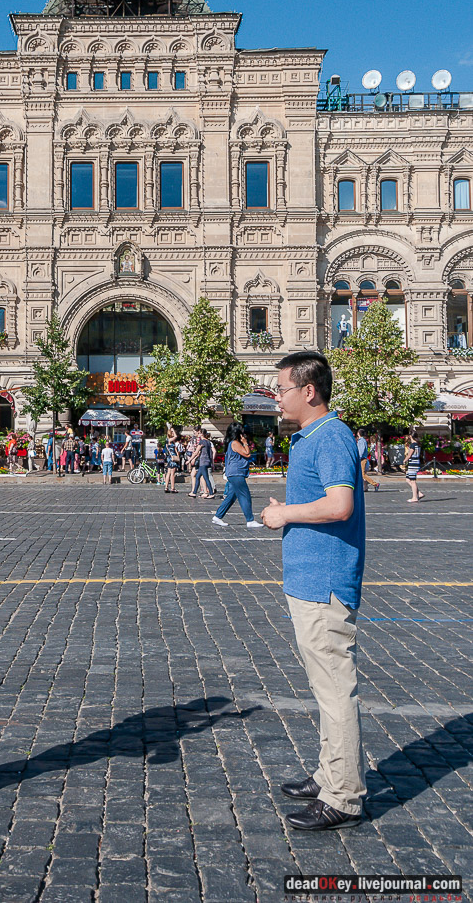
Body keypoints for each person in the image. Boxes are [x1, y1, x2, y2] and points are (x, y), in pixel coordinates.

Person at [262, 351, 365, 831]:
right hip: (308, 579)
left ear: (308, 391)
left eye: (281, 388)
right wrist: (292, 507)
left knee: (334, 689)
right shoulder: (311, 438)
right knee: (323, 687)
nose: (276, 397)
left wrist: (285, 514)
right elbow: (321, 499)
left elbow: (340, 504)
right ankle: (329, 774)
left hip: (324, 582)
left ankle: (343, 797)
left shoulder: (331, 437)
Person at [212, 426, 264, 528]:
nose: (244, 435)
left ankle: (217, 516)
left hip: (233, 473)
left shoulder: (231, 443)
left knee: (231, 496)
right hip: (236, 473)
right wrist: (245, 442)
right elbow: (247, 454)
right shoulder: (235, 443)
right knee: (245, 496)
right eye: (242, 433)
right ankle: (250, 520)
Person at [188, 429, 214, 499]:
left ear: (202, 434)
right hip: (207, 461)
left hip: (203, 462)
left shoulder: (202, 442)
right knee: (197, 477)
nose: (198, 434)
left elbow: (196, 452)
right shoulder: (208, 442)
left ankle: (211, 493)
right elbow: (211, 453)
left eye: (199, 433)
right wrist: (212, 463)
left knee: (206, 478)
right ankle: (194, 492)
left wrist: (189, 460)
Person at [404, 430, 424, 503]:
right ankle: (419, 493)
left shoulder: (413, 445)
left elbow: (410, 454)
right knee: (408, 479)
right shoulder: (418, 444)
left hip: (413, 463)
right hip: (416, 462)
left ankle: (414, 497)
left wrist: (405, 460)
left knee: (412, 481)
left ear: (410, 436)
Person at [164, 427, 179, 493]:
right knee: (172, 473)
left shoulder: (168, 440)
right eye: (172, 432)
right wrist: (173, 430)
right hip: (172, 457)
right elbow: (176, 436)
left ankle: (166, 487)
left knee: (169, 473)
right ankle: (172, 488)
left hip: (169, 457)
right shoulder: (170, 440)